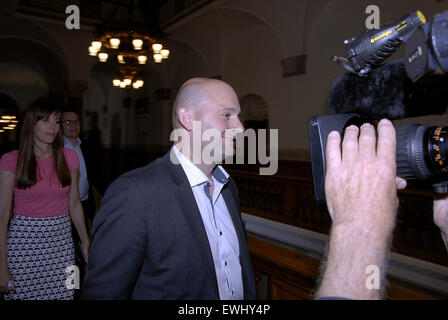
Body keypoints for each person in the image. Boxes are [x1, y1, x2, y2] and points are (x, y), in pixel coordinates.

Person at [81, 78, 256, 300]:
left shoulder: (228, 189)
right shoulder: (135, 194)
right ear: (188, 118)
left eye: (238, 116)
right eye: (226, 115)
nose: (240, 127)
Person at [0, 97, 90, 300]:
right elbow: (2, 215)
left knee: (67, 293)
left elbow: (74, 203)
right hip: (24, 247)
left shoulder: (69, 156)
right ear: (31, 124)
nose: (53, 127)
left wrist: (85, 241)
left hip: (62, 246)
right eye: (45, 121)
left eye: (56, 121)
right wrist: (1, 265)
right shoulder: (11, 160)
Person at [61, 110, 93, 227]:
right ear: (60, 125)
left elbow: (94, 175)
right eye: (68, 122)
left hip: (84, 202)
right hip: (64, 205)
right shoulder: (56, 149)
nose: (74, 125)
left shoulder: (87, 147)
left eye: (76, 122)